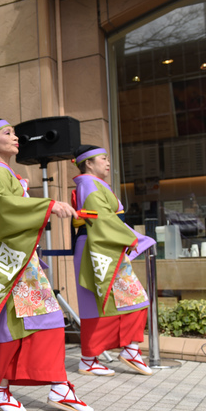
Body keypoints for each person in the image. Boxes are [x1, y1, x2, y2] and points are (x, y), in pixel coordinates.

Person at [0, 118, 94, 411]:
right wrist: (47, 205)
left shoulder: (3, 173)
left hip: (21, 261)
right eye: (8, 133)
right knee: (12, 327)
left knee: (47, 322)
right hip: (10, 264)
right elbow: (3, 210)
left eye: (14, 133)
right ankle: (4, 391)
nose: (16, 137)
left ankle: (58, 385)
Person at [71, 145, 154, 376]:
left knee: (125, 300)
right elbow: (103, 218)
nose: (108, 163)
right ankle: (113, 353)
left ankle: (112, 352)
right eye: (103, 159)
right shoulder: (89, 183)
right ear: (88, 163)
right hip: (98, 245)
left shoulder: (91, 183)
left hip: (100, 243)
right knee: (119, 301)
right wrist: (132, 237)